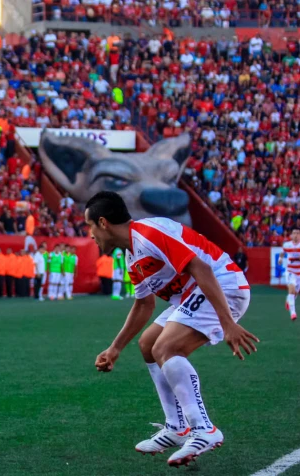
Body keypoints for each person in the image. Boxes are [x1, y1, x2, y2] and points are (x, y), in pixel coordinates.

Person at [88, 191, 257, 467]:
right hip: (193, 295)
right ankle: (178, 428)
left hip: (223, 286)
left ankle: (204, 430)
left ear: (103, 223)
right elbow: (144, 305)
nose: (90, 234)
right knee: (148, 345)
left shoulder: (148, 233)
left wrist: (227, 323)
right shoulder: (133, 255)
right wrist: (115, 347)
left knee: (165, 347)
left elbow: (200, 267)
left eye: (89, 226)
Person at [279, 228, 300, 321]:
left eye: (298, 233)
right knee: (291, 291)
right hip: (290, 272)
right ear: (291, 235)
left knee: (295, 293)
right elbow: (282, 253)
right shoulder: (287, 245)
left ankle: (288, 301)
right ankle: (293, 313)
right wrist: (280, 259)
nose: (295, 235)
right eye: (294, 233)